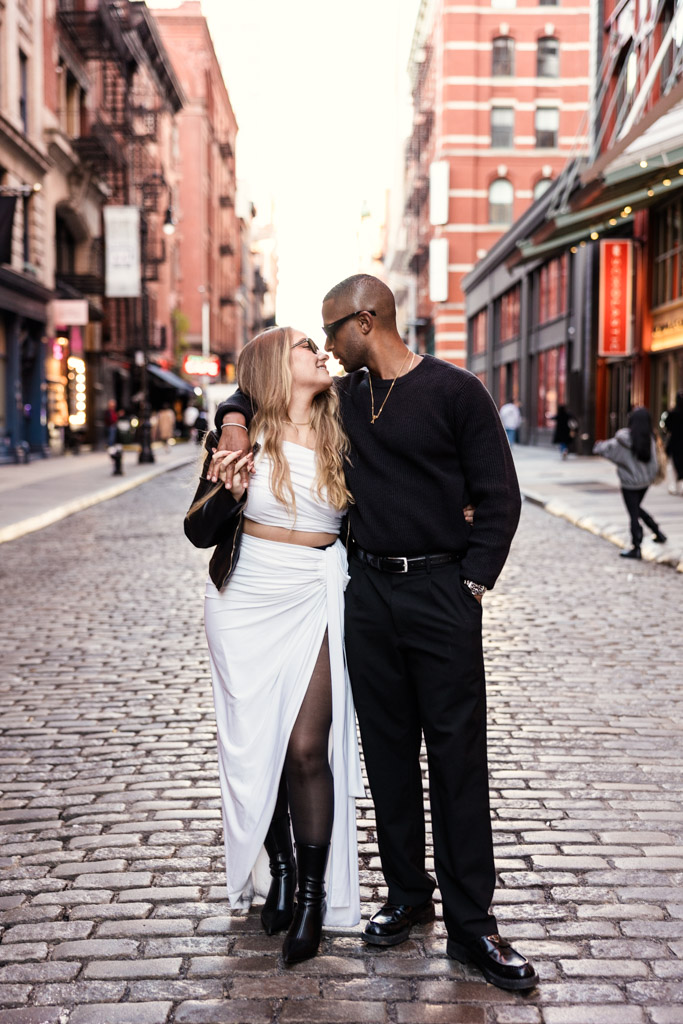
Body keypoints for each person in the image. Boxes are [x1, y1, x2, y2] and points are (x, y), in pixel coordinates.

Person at [213, 274, 538, 991]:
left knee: (455, 757)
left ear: (365, 321)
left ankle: (472, 925)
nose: (324, 349)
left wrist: (472, 582)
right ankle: (406, 896)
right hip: (364, 594)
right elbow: (257, 387)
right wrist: (233, 420)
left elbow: (499, 496)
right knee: (387, 754)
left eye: (331, 332)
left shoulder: (456, 393)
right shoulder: (344, 400)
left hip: (440, 592)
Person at [185, 326, 363, 965]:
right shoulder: (243, 434)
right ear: (273, 368)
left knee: (306, 744)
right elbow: (198, 531)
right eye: (303, 346)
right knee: (263, 741)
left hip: (316, 590)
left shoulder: (348, 420)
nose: (319, 352)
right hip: (245, 598)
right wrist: (229, 489)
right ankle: (281, 867)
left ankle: (313, 897)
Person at [593, 406, 667, 559]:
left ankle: (637, 547)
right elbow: (654, 464)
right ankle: (657, 532)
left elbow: (604, 449)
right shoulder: (650, 438)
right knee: (636, 509)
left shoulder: (624, 439)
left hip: (629, 484)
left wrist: (598, 445)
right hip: (644, 484)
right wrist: (647, 477)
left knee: (633, 514)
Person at [663, 392, 683, 495]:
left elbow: (666, 427)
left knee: (672, 465)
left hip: (674, 442)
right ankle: (680, 486)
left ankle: (673, 486)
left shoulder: (672, 413)